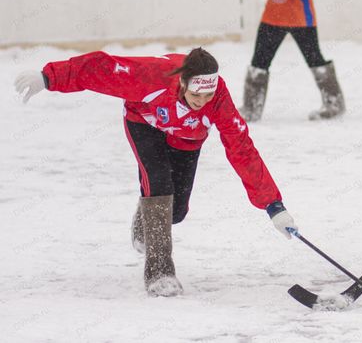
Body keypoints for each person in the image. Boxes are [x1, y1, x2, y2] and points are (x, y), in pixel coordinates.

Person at [13, 47, 297, 297]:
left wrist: (274, 206)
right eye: (196, 94)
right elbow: (99, 68)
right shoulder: (152, 75)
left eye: (208, 94)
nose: (202, 101)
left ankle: (145, 218)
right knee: (159, 184)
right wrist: (48, 77)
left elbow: (242, 149)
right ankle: (160, 272)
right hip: (144, 124)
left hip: (186, 137)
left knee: (176, 212)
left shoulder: (219, 99)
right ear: (183, 82)